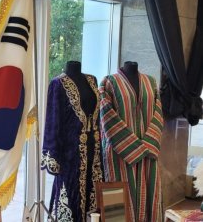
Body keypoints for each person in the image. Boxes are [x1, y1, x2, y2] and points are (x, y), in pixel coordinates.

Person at [99, 62, 163, 221]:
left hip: (148, 153)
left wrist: (148, 145)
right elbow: (106, 116)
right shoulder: (108, 82)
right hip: (119, 152)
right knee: (117, 208)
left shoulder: (151, 82)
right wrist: (133, 148)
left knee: (150, 196)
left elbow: (159, 114)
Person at [41, 61, 103, 222]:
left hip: (93, 151)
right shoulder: (57, 84)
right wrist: (52, 155)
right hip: (69, 154)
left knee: (93, 197)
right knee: (70, 196)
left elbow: (97, 117)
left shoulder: (92, 80)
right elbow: (53, 121)